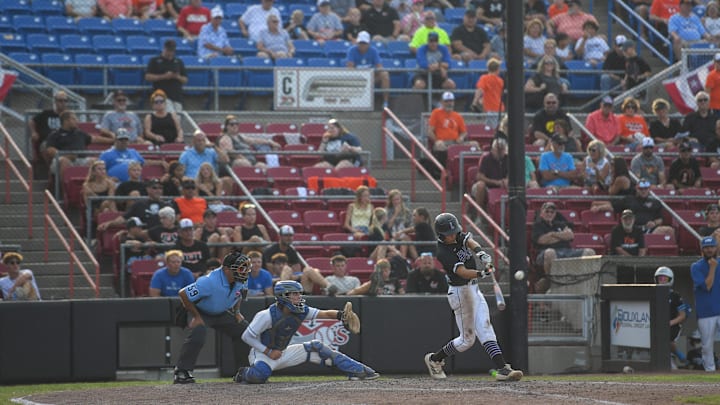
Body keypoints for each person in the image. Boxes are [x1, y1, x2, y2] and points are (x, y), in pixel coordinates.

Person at [423, 213, 522, 381]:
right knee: (467, 340)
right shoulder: (443, 252)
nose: (454, 235)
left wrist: (481, 253)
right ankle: (435, 359)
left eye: (454, 232)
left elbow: (469, 241)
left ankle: (502, 368)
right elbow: (462, 272)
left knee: (486, 327)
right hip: (461, 293)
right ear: (441, 235)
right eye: (449, 234)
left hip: (474, 289)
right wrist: (482, 273)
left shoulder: (457, 236)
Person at [234, 280, 379, 383]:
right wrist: (268, 352)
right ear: (283, 296)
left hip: (282, 353)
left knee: (317, 347)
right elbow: (247, 337)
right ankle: (244, 374)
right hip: (261, 354)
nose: (299, 297)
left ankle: (358, 371)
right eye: (294, 294)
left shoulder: (301, 311)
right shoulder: (266, 315)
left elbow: (325, 314)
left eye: (299, 293)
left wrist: (341, 315)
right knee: (260, 375)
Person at [174, 251, 251, 384]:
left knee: (244, 330)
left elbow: (239, 294)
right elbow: (183, 294)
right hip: (198, 309)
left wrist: (237, 312)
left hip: (220, 312)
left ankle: (243, 371)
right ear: (227, 269)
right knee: (199, 332)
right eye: (240, 268)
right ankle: (182, 371)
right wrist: (196, 316)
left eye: (245, 268)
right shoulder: (209, 281)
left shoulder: (242, 279)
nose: (244, 271)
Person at [532, 202, 595, 293]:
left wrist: (552, 234)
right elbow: (542, 240)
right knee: (550, 253)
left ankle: (587, 285)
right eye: (547, 211)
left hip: (567, 250)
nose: (549, 214)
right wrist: (561, 236)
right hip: (545, 252)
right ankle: (552, 283)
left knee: (590, 252)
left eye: (552, 212)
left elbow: (570, 236)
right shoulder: (538, 225)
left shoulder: (560, 224)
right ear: (541, 213)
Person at [593, 178, 676, 237]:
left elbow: (660, 219)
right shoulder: (629, 199)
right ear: (637, 189)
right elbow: (612, 207)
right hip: (632, 230)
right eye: (641, 189)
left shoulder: (655, 202)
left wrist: (654, 223)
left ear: (649, 189)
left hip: (650, 230)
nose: (643, 191)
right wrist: (599, 208)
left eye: (645, 189)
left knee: (669, 230)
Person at [690, 236, 720, 371]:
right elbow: (707, 286)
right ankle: (710, 371)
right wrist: (713, 268)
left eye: (712, 247)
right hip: (706, 312)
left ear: (716, 248)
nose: (709, 250)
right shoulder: (696, 267)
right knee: (707, 346)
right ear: (702, 249)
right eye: (706, 247)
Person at [98, 178, 173, 232]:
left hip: (164, 237)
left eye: (160, 188)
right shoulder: (139, 204)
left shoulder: (167, 205)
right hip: (145, 237)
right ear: (148, 189)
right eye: (154, 188)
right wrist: (109, 223)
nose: (158, 190)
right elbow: (123, 218)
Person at [427, 92, 478, 166]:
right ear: (441, 102)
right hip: (443, 142)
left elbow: (464, 132)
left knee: (475, 144)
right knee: (440, 145)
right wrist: (437, 140)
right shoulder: (436, 113)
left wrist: (461, 137)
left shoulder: (457, 116)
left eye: (451, 101)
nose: (449, 103)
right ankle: (443, 170)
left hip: (456, 142)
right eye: (446, 101)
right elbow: (430, 131)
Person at [654, 266, 690, 369]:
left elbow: (682, 316)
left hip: (673, 325)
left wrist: (669, 323)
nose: (662, 281)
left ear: (671, 279)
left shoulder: (675, 296)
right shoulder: (653, 293)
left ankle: (679, 355)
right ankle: (669, 363)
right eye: (660, 278)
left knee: (667, 340)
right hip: (657, 324)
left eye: (665, 278)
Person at [45, 111, 100, 176]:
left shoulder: (80, 133)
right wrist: (66, 155)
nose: (77, 121)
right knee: (64, 161)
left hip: (81, 160)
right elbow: (50, 150)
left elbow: (95, 139)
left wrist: (112, 140)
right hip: (62, 159)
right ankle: (62, 186)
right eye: (74, 119)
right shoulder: (55, 134)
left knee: (95, 161)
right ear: (66, 121)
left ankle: (90, 185)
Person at [346, 31, 390, 107]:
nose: (362, 45)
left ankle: (385, 101)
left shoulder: (373, 51)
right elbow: (350, 67)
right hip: (357, 77)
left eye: (364, 43)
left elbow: (379, 66)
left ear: (369, 43)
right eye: (360, 43)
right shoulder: (352, 50)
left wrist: (371, 76)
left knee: (384, 74)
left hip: (371, 77)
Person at [145, 39, 188, 112]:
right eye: (168, 50)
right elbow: (148, 77)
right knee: (170, 115)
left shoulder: (178, 62)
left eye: (172, 51)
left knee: (178, 118)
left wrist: (177, 77)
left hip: (177, 95)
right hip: (162, 94)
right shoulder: (155, 60)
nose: (170, 53)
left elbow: (185, 79)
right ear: (164, 48)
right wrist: (163, 76)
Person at [29, 90, 68, 164]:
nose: (63, 103)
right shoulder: (46, 113)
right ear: (55, 102)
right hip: (48, 141)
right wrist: (34, 132)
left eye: (65, 101)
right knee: (46, 146)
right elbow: (32, 121)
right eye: (60, 100)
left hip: (64, 141)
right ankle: (51, 169)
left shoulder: (68, 116)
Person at [471, 137, 508, 210]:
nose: (500, 152)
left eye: (502, 149)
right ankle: (479, 215)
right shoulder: (486, 158)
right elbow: (479, 176)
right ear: (493, 149)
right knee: (480, 185)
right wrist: (495, 182)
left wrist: (507, 180)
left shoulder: (508, 159)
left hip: (502, 184)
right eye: (498, 150)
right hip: (487, 185)